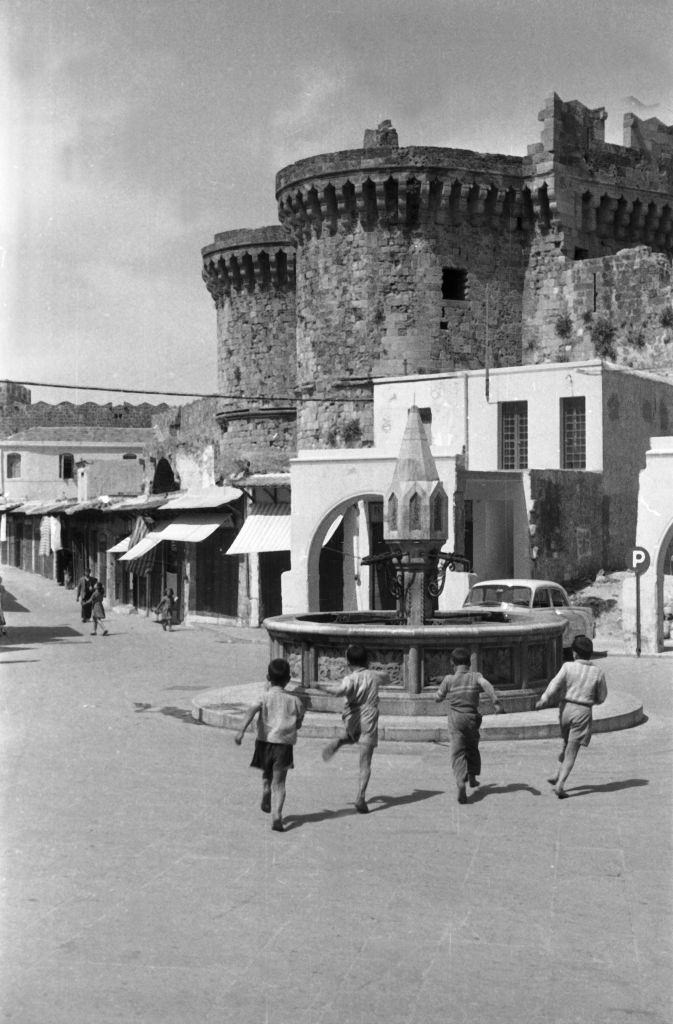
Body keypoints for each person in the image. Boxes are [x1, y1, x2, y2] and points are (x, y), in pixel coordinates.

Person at [315, 644, 388, 814]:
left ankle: (341, 740)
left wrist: (321, 687)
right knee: (365, 762)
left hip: (352, 716)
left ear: (348, 662)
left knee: (352, 735)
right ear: (367, 660)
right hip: (369, 718)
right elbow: (387, 677)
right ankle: (361, 796)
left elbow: (340, 691)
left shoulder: (350, 678)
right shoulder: (373, 676)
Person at [234, 659, 305, 833]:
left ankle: (266, 788)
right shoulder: (295, 700)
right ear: (288, 679)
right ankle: (277, 815)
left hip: (264, 742)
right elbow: (299, 723)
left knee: (267, 773)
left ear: (267, 677)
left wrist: (241, 731)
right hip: (284, 745)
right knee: (280, 783)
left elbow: (251, 711)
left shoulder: (263, 697)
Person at [535, 635, 607, 799]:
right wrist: (593, 701)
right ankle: (560, 785)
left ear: (574, 653)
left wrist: (544, 699)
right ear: (591, 653)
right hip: (582, 711)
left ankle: (556, 774)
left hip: (565, 709)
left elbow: (555, 683)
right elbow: (602, 697)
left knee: (566, 743)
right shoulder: (598, 672)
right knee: (572, 750)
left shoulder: (567, 667)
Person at [434, 647, 502, 804]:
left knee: (458, 752)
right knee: (472, 747)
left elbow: (438, 697)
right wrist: (495, 701)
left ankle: (460, 781)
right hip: (472, 718)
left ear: (452, 663)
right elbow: (486, 685)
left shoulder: (448, 679)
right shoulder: (475, 676)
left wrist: (438, 697)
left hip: (456, 719)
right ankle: (472, 777)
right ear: (469, 663)